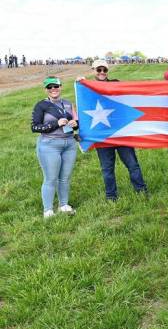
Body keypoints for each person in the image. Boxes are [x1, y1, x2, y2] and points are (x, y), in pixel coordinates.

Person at [91, 60, 148, 201]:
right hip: (102, 136)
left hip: (121, 133)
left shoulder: (115, 83)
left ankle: (141, 190)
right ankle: (111, 196)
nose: (102, 72)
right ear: (93, 70)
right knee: (107, 168)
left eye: (104, 70)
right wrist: (80, 82)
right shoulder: (86, 88)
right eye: (99, 70)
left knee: (133, 164)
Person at [31, 76, 79, 218]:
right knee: (51, 178)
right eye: (50, 87)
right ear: (46, 90)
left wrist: (76, 124)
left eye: (56, 86)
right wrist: (55, 124)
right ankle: (48, 210)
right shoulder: (41, 105)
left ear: (60, 87)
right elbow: (34, 127)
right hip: (49, 146)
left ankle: (63, 205)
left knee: (65, 178)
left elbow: (76, 121)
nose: (53, 89)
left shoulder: (68, 103)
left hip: (69, 144)